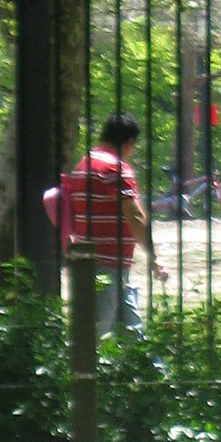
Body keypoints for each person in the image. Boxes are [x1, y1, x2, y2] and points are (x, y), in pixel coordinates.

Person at [58, 112, 167, 332]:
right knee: (93, 336)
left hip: (88, 260)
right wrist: (153, 254)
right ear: (129, 142)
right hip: (109, 264)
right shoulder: (115, 168)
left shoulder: (84, 164)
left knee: (133, 334)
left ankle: (149, 367)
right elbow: (135, 215)